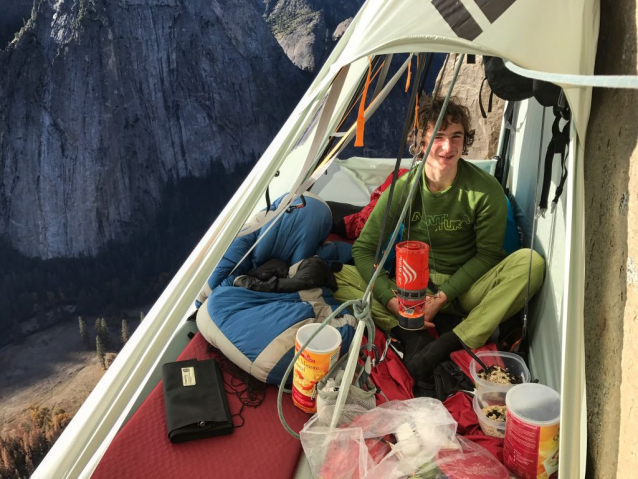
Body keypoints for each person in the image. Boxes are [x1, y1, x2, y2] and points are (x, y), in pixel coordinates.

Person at [332, 96, 545, 381]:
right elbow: (364, 249)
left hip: (465, 289)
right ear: (421, 143)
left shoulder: (484, 191)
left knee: (530, 264)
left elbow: (489, 255)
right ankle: (406, 329)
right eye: (438, 137)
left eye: (456, 137)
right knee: (336, 275)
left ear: (464, 141)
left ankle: (451, 341)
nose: (447, 147)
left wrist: (442, 298)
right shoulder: (404, 188)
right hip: (410, 289)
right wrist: (391, 299)